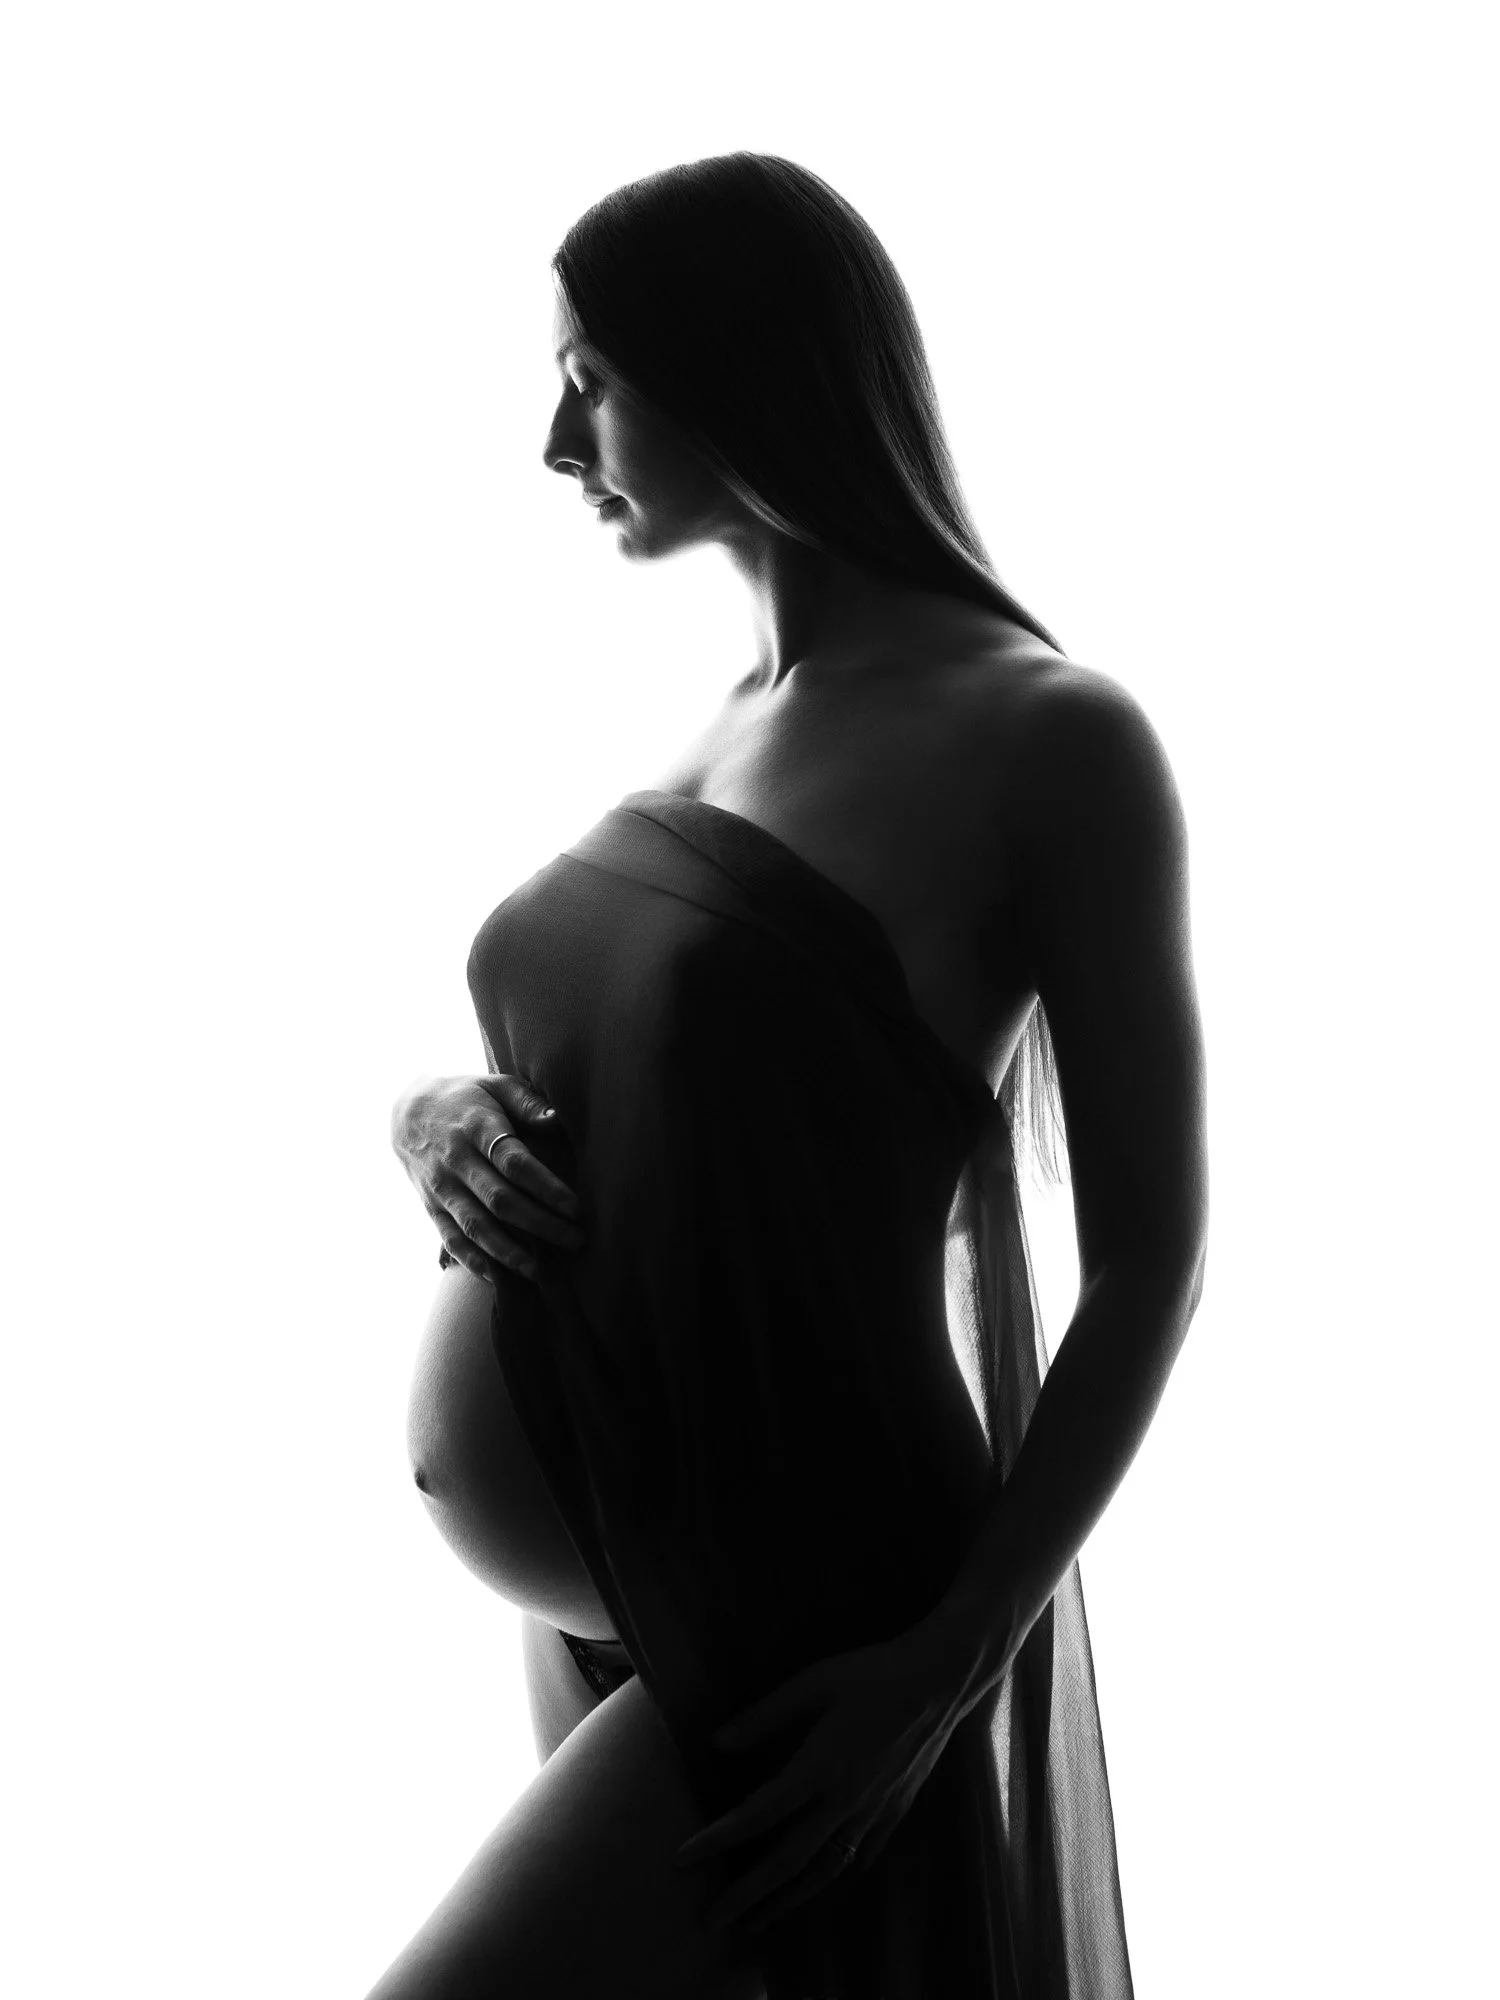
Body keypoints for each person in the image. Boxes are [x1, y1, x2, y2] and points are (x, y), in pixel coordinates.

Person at [372, 152, 1207, 2000]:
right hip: (612, 1593)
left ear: (736, 365)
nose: (550, 436)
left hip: (806, 1595)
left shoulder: (1046, 737)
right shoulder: (719, 733)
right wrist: (428, 1120)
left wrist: (947, 1664)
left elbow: (1152, 1264)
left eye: (587, 373)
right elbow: (629, 1075)